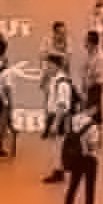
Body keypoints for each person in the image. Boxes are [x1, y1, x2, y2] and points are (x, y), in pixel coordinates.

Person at [61, 108, 103, 204]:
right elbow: (94, 145)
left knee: (72, 187)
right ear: (93, 110)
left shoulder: (73, 119)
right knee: (90, 190)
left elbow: (67, 134)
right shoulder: (93, 126)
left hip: (74, 158)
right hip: (89, 159)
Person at [39, 54, 76, 182]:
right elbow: (44, 90)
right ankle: (59, 170)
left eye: (49, 66)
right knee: (55, 146)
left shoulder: (62, 83)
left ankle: (59, 171)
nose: (47, 68)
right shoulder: (54, 80)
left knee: (58, 146)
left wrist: (56, 123)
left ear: (56, 66)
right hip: (53, 116)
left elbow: (62, 105)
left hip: (59, 118)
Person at [81, 29, 103, 121]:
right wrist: (84, 83)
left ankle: (95, 127)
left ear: (92, 43)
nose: (84, 43)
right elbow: (85, 69)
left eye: (86, 41)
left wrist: (87, 85)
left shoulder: (100, 57)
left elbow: (96, 75)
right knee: (94, 111)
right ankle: (96, 126)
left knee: (93, 111)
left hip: (96, 87)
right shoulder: (89, 54)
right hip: (89, 86)